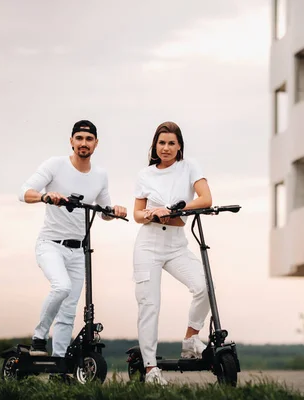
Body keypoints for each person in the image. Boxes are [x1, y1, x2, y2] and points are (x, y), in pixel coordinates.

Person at [18, 119, 127, 360]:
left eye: (88, 139)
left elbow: (104, 212)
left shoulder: (100, 175)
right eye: (79, 138)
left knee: (68, 311)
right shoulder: (55, 165)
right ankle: (39, 336)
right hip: (50, 244)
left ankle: (59, 363)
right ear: (71, 141)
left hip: (79, 251)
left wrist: (116, 211)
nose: (83, 143)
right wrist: (45, 196)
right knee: (62, 287)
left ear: (96, 143)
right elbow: (24, 192)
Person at [132, 121, 213, 385]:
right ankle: (150, 368)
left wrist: (172, 211)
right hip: (148, 246)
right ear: (155, 146)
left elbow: (205, 199)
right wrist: (152, 214)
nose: (166, 148)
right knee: (150, 305)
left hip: (177, 246)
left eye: (171, 143)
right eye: (161, 143)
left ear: (179, 147)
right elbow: (137, 214)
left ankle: (191, 340)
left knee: (204, 287)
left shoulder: (189, 167)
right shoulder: (145, 175)